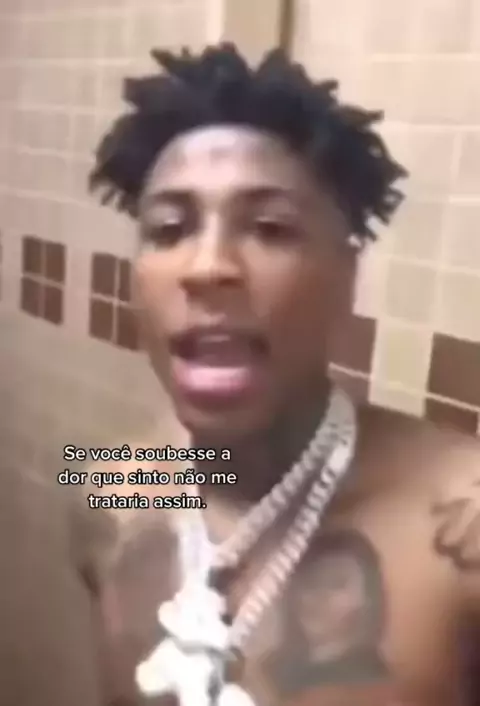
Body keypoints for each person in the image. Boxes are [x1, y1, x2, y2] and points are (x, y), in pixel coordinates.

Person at [87, 44, 480, 706]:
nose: (206, 267)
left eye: (270, 228)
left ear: (345, 279)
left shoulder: (458, 527)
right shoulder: (100, 493)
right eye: (169, 229)